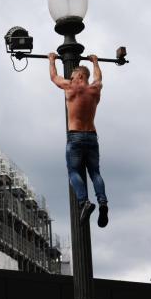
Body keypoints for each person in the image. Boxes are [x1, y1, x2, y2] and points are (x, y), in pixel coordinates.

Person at [49, 53, 109, 227]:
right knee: (95, 173)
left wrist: (52, 59)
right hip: (91, 136)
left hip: (75, 136)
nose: (71, 78)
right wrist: (96, 62)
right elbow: (98, 77)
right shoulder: (95, 89)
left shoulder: (70, 87)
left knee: (73, 172)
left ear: (80, 76)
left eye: (73, 75)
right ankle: (103, 202)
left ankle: (84, 202)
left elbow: (54, 77)